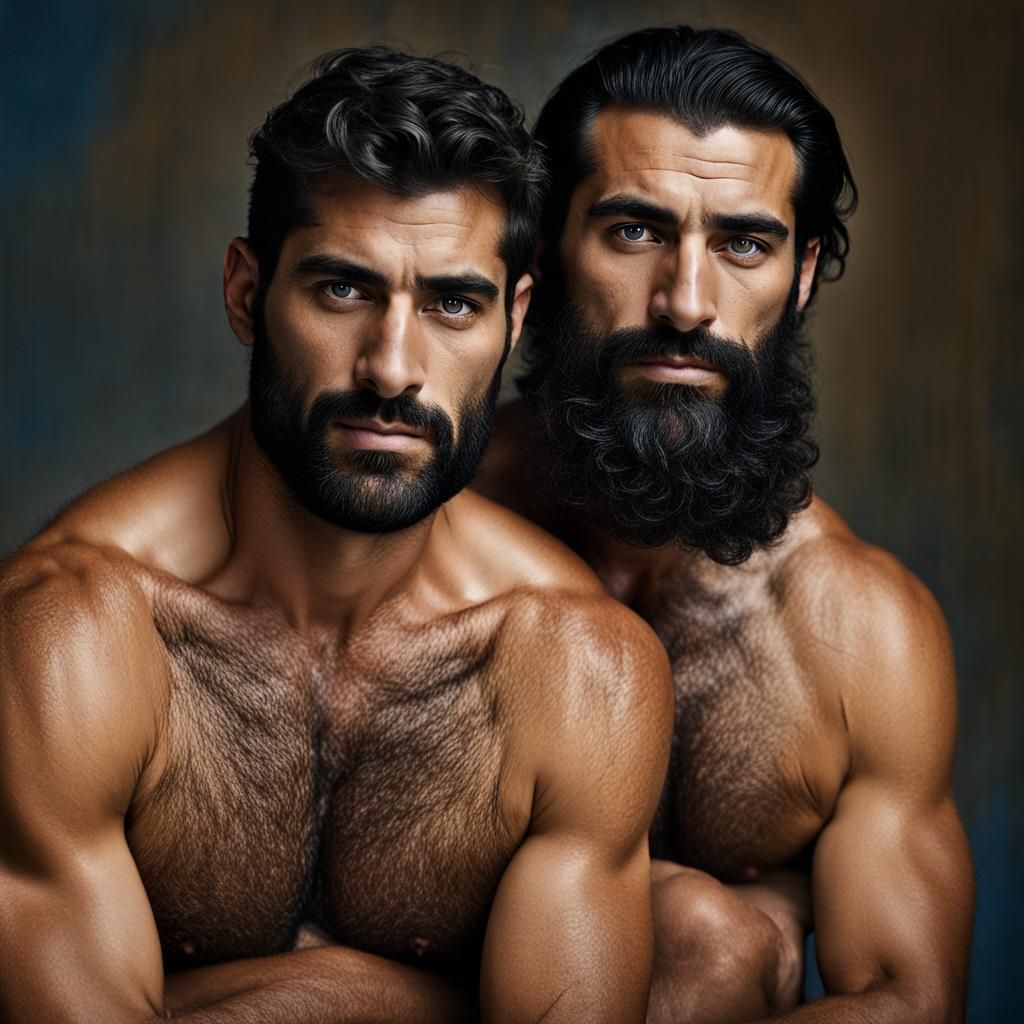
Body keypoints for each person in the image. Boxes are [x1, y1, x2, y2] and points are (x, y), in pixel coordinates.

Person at [0, 49, 674, 1024]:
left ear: (515, 319)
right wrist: (380, 997)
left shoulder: (574, 665)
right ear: (246, 293)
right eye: (342, 290)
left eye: (452, 303)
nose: (394, 367)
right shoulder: (73, 636)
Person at [475, 26, 974, 1024]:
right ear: (544, 251)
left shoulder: (858, 635)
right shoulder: (407, 541)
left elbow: (907, 1005)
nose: (686, 303)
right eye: (633, 231)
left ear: (799, 273)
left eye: (744, 243)